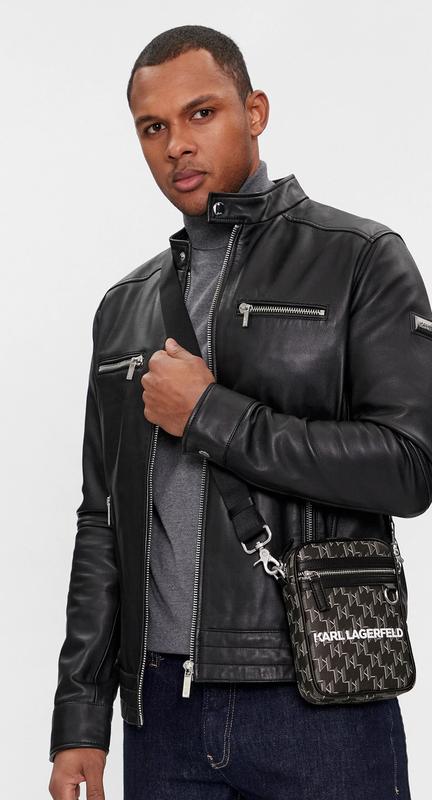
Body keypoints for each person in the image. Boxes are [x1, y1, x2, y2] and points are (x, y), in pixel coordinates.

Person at [48, 24, 432, 800]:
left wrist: (212, 414)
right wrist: (80, 718)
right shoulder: (125, 307)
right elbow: (103, 520)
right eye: (152, 128)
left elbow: (410, 467)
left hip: (321, 693)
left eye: (201, 113)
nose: (176, 146)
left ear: (254, 111)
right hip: (161, 711)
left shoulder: (360, 258)